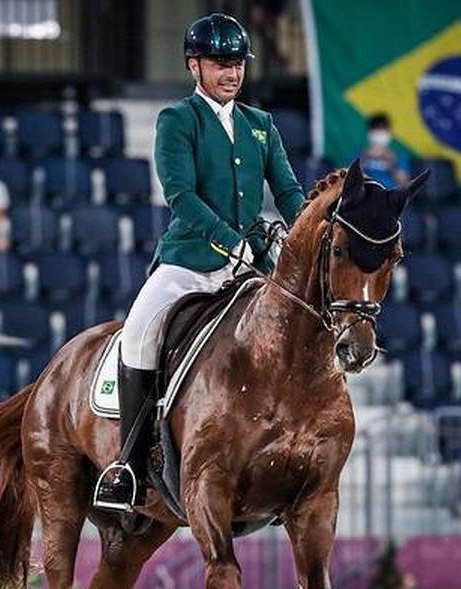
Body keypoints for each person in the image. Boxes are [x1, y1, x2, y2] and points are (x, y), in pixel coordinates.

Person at [92, 12, 305, 511]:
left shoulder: (261, 126)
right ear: (195, 66)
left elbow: (290, 190)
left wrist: (305, 232)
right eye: (220, 63)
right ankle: (128, 461)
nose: (231, 73)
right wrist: (231, 241)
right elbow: (181, 196)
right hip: (189, 262)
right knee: (140, 332)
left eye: (237, 64)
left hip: (251, 265)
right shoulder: (177, 120)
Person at [356, 113, 409, 190]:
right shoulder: (359, 153)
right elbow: (350, 180)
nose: (379, 133)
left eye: (383, 129)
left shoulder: (399, 155)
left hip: (390, 194)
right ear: (369, 132)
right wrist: (365, 157)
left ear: (390, 132)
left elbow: (403, 183)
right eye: (376, 129)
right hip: (366, 195)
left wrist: (391, 162)